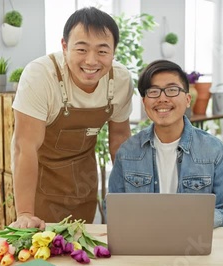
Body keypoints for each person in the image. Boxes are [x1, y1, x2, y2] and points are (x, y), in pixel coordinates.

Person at [10, 7, 133, 228]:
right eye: (82, 49)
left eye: (103, 51)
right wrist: (25, 213)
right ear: (65, 47)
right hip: (39, 186)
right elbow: (24, 147)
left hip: (83, 185)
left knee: (81, 253)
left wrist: (131, 198)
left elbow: (120, 140)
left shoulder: (120, 80)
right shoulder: (40, 75)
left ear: (114, 51)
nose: (92, 61)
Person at [107, 60, 223, 228]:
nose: (162, 98)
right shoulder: (127, 152)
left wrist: (199, 219)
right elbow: (114, 210)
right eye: (154, 91)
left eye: (172, 90)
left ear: (187, 99)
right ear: (144, 102)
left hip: (195, 244)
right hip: (143, 243)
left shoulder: (215, 151)